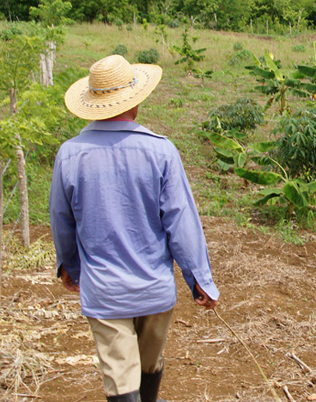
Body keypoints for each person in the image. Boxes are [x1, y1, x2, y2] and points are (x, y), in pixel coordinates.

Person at [50, 54, 219, 402]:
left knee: (120, 376)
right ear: (136, 100)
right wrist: (199, 279)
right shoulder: (161, 151)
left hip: (104, 290)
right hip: (154, 289)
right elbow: (180, 222)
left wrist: (70, 266)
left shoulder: (69, 154)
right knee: (148, 364)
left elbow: (62, 222)